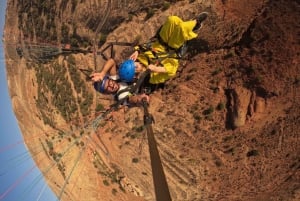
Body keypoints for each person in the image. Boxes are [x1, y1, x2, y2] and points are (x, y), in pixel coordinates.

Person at [91, 13, 208, 104]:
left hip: (158, 47)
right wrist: (141, 98)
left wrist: (102, 74)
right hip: (169, 55)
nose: (111, 85)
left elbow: (111, 61)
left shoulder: (117, 77)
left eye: (109, 83)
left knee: (172, 20)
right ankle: (196, 23)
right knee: (181, 29)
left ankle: (190, 27)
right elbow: (132, 100)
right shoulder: (124, 93)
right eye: (109, 88)